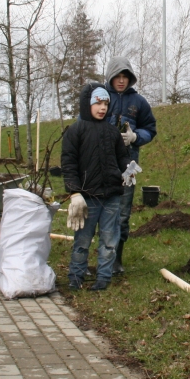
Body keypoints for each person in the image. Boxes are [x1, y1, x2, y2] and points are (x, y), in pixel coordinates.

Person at [61, 84, 133, 291]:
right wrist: (74, 192)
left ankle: (103, 277)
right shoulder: (76, 131)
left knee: (110, 240)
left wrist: (129, 171)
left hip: (111, 196)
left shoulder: (112, 132)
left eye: (106, 103)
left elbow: (122, 158)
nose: (102, 108)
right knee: (82, 241)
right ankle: (75, 277)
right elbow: (69, 163)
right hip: (87, 198)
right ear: (88, 104)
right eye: (98, 103)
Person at [101, 58, 157, 277]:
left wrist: (135, 137)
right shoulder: (100, 98)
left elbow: (150, 129)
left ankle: (117, 258)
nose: (122, 81)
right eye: (118, 77)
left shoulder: (139, 102)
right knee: (101, 210)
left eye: (125, 77)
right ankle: (101, 254)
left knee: (123, 212)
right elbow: (84, 123)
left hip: (129, 165)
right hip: (101, 164)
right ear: (111, 77)